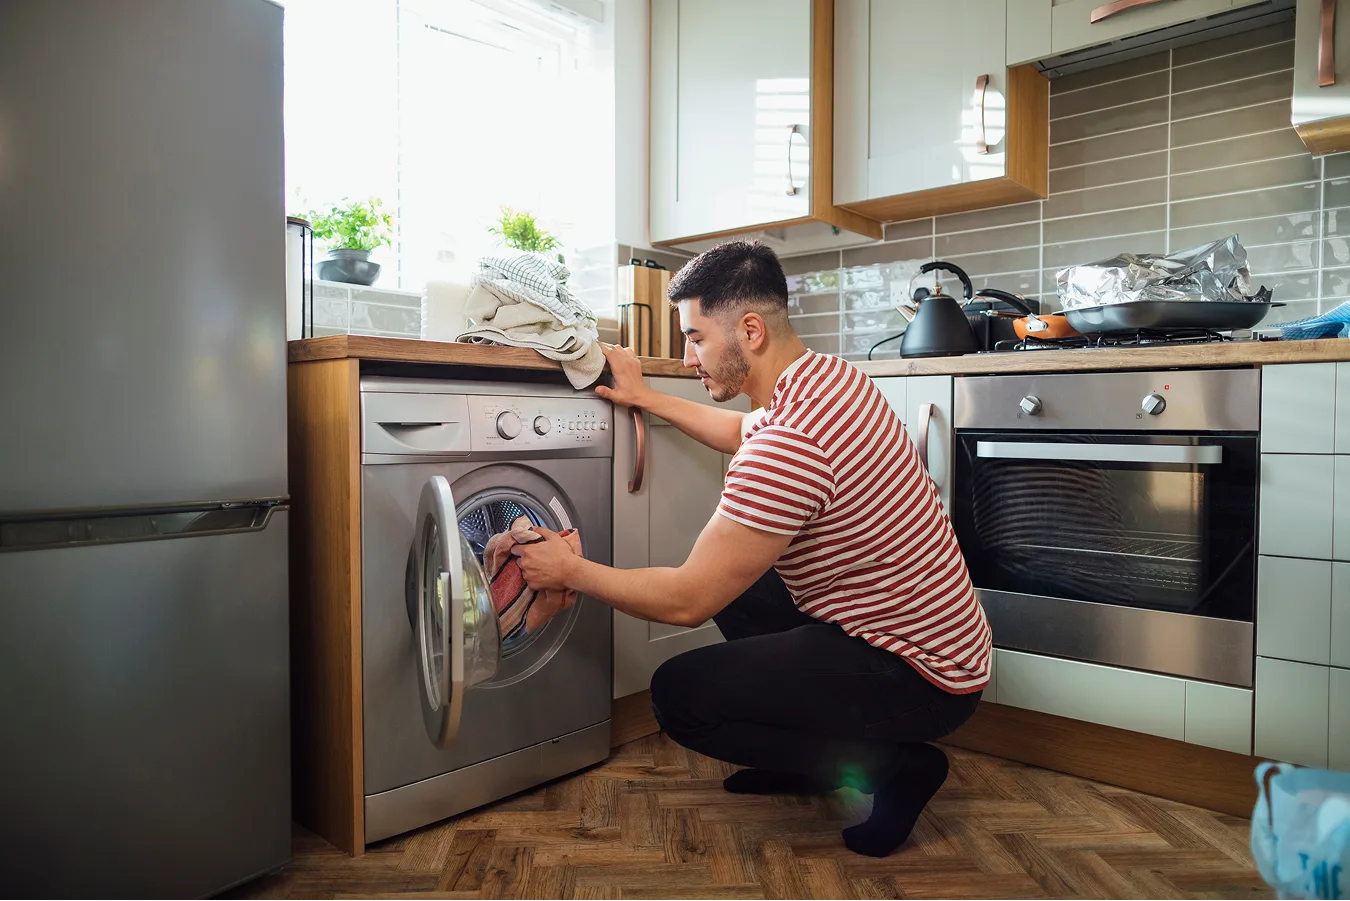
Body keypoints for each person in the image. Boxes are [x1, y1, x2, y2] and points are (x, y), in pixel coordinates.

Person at [512, 240, 991, 858]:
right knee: (743, 588)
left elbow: (685, 600)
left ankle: (892, 769)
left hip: (923, 678)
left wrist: (570, 570)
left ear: (751, 330)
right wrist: (645, 398)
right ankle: (811, 758)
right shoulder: (829, 380)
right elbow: (742, 430)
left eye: (695, 338)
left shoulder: (791, 441)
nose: (688, 359)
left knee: (680, 697)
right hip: (935, 638)